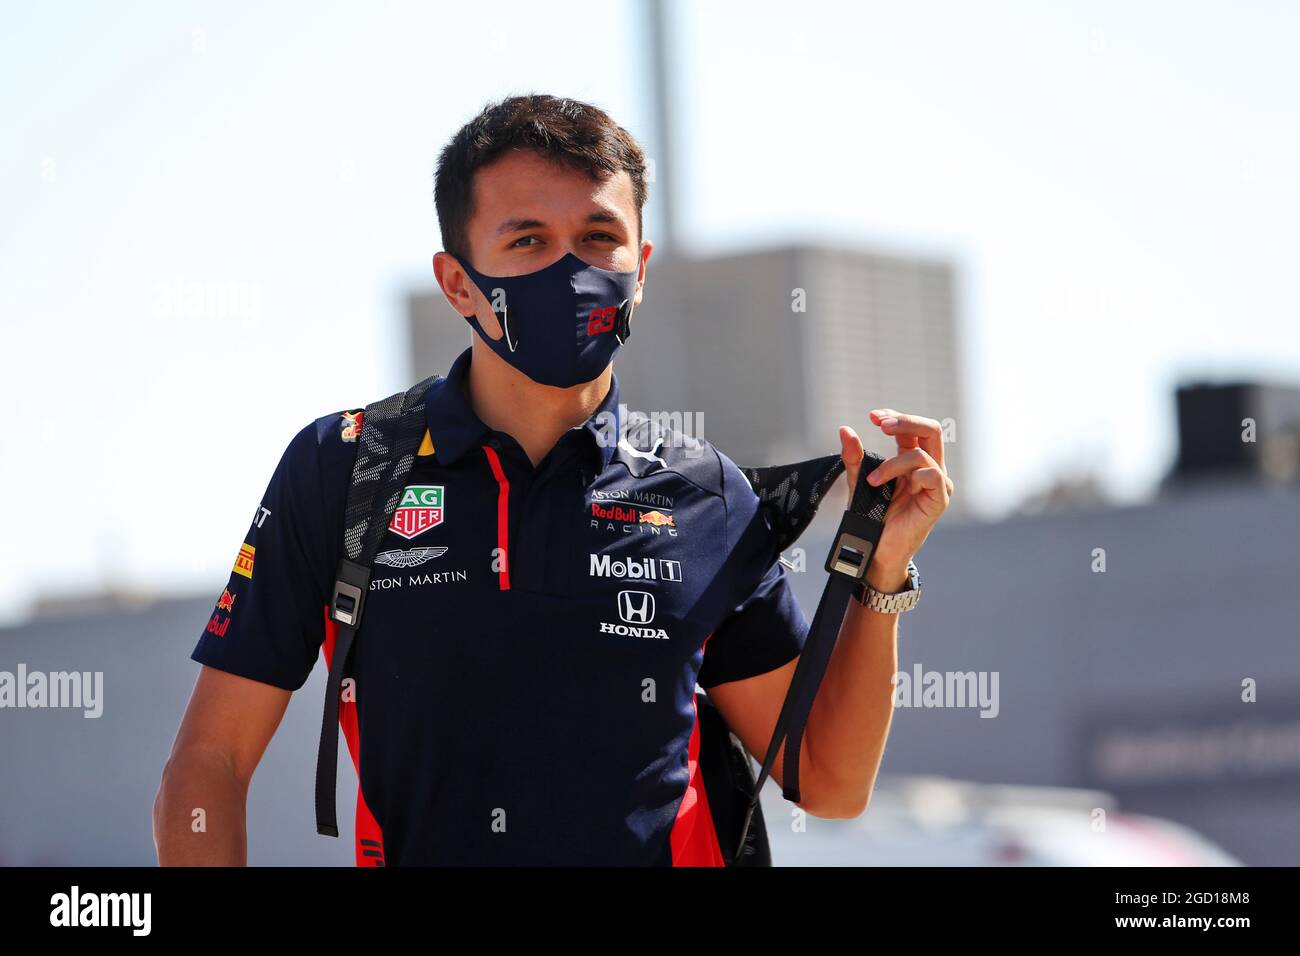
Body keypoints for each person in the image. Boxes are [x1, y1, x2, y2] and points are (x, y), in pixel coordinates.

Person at [153, 93, 953, 866]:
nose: (571, 271)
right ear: (457, 281)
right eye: (528, 241)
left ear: (640, 267)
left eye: (599, 237)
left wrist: (881, 577)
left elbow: (829, 780)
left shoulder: (706, 495)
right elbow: (208, 767)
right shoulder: (344, 467)